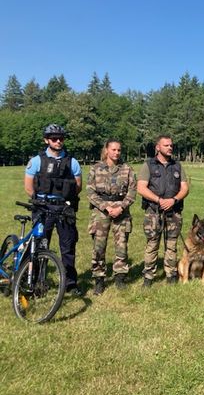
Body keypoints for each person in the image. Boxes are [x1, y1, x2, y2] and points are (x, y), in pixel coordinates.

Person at [24, 124, 83, 296]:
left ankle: (70, 284)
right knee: (40, 246)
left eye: (61, 138)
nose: (58, 141)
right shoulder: (36, 160)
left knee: (68, 247)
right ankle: (36, 283)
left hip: (64, 208)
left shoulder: (72, 162)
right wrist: (41, 202)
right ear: (46, 140)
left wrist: (63, 198)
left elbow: (78, 186)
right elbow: (28, 187)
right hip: (42, 208)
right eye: (54, 138)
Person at [137, 134, 189, 287]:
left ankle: (171, 274)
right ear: (158, 147)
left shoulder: (177, 166)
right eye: (166, 145)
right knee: (152, 244)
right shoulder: (148, 165)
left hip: (174, 211)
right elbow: (141, 187)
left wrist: (173, 200)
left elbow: (185, 188)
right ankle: (148, 276)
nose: (170, 147)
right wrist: (159, 200)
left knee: (171, 245)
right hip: (153, 212)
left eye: (171, 145)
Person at [87, 139, 137, 295]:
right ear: (106, 150)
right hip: (101, 212)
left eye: (119, 150)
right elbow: (90, 192)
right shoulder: (95, 168)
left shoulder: (127, 169)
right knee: (99, 246)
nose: (116, 153)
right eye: (114, 150)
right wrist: (106, 207)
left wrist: (121, 207)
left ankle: (120, 277)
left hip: (121, 211)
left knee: (121, 245)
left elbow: (132, 192)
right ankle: (99, 278)